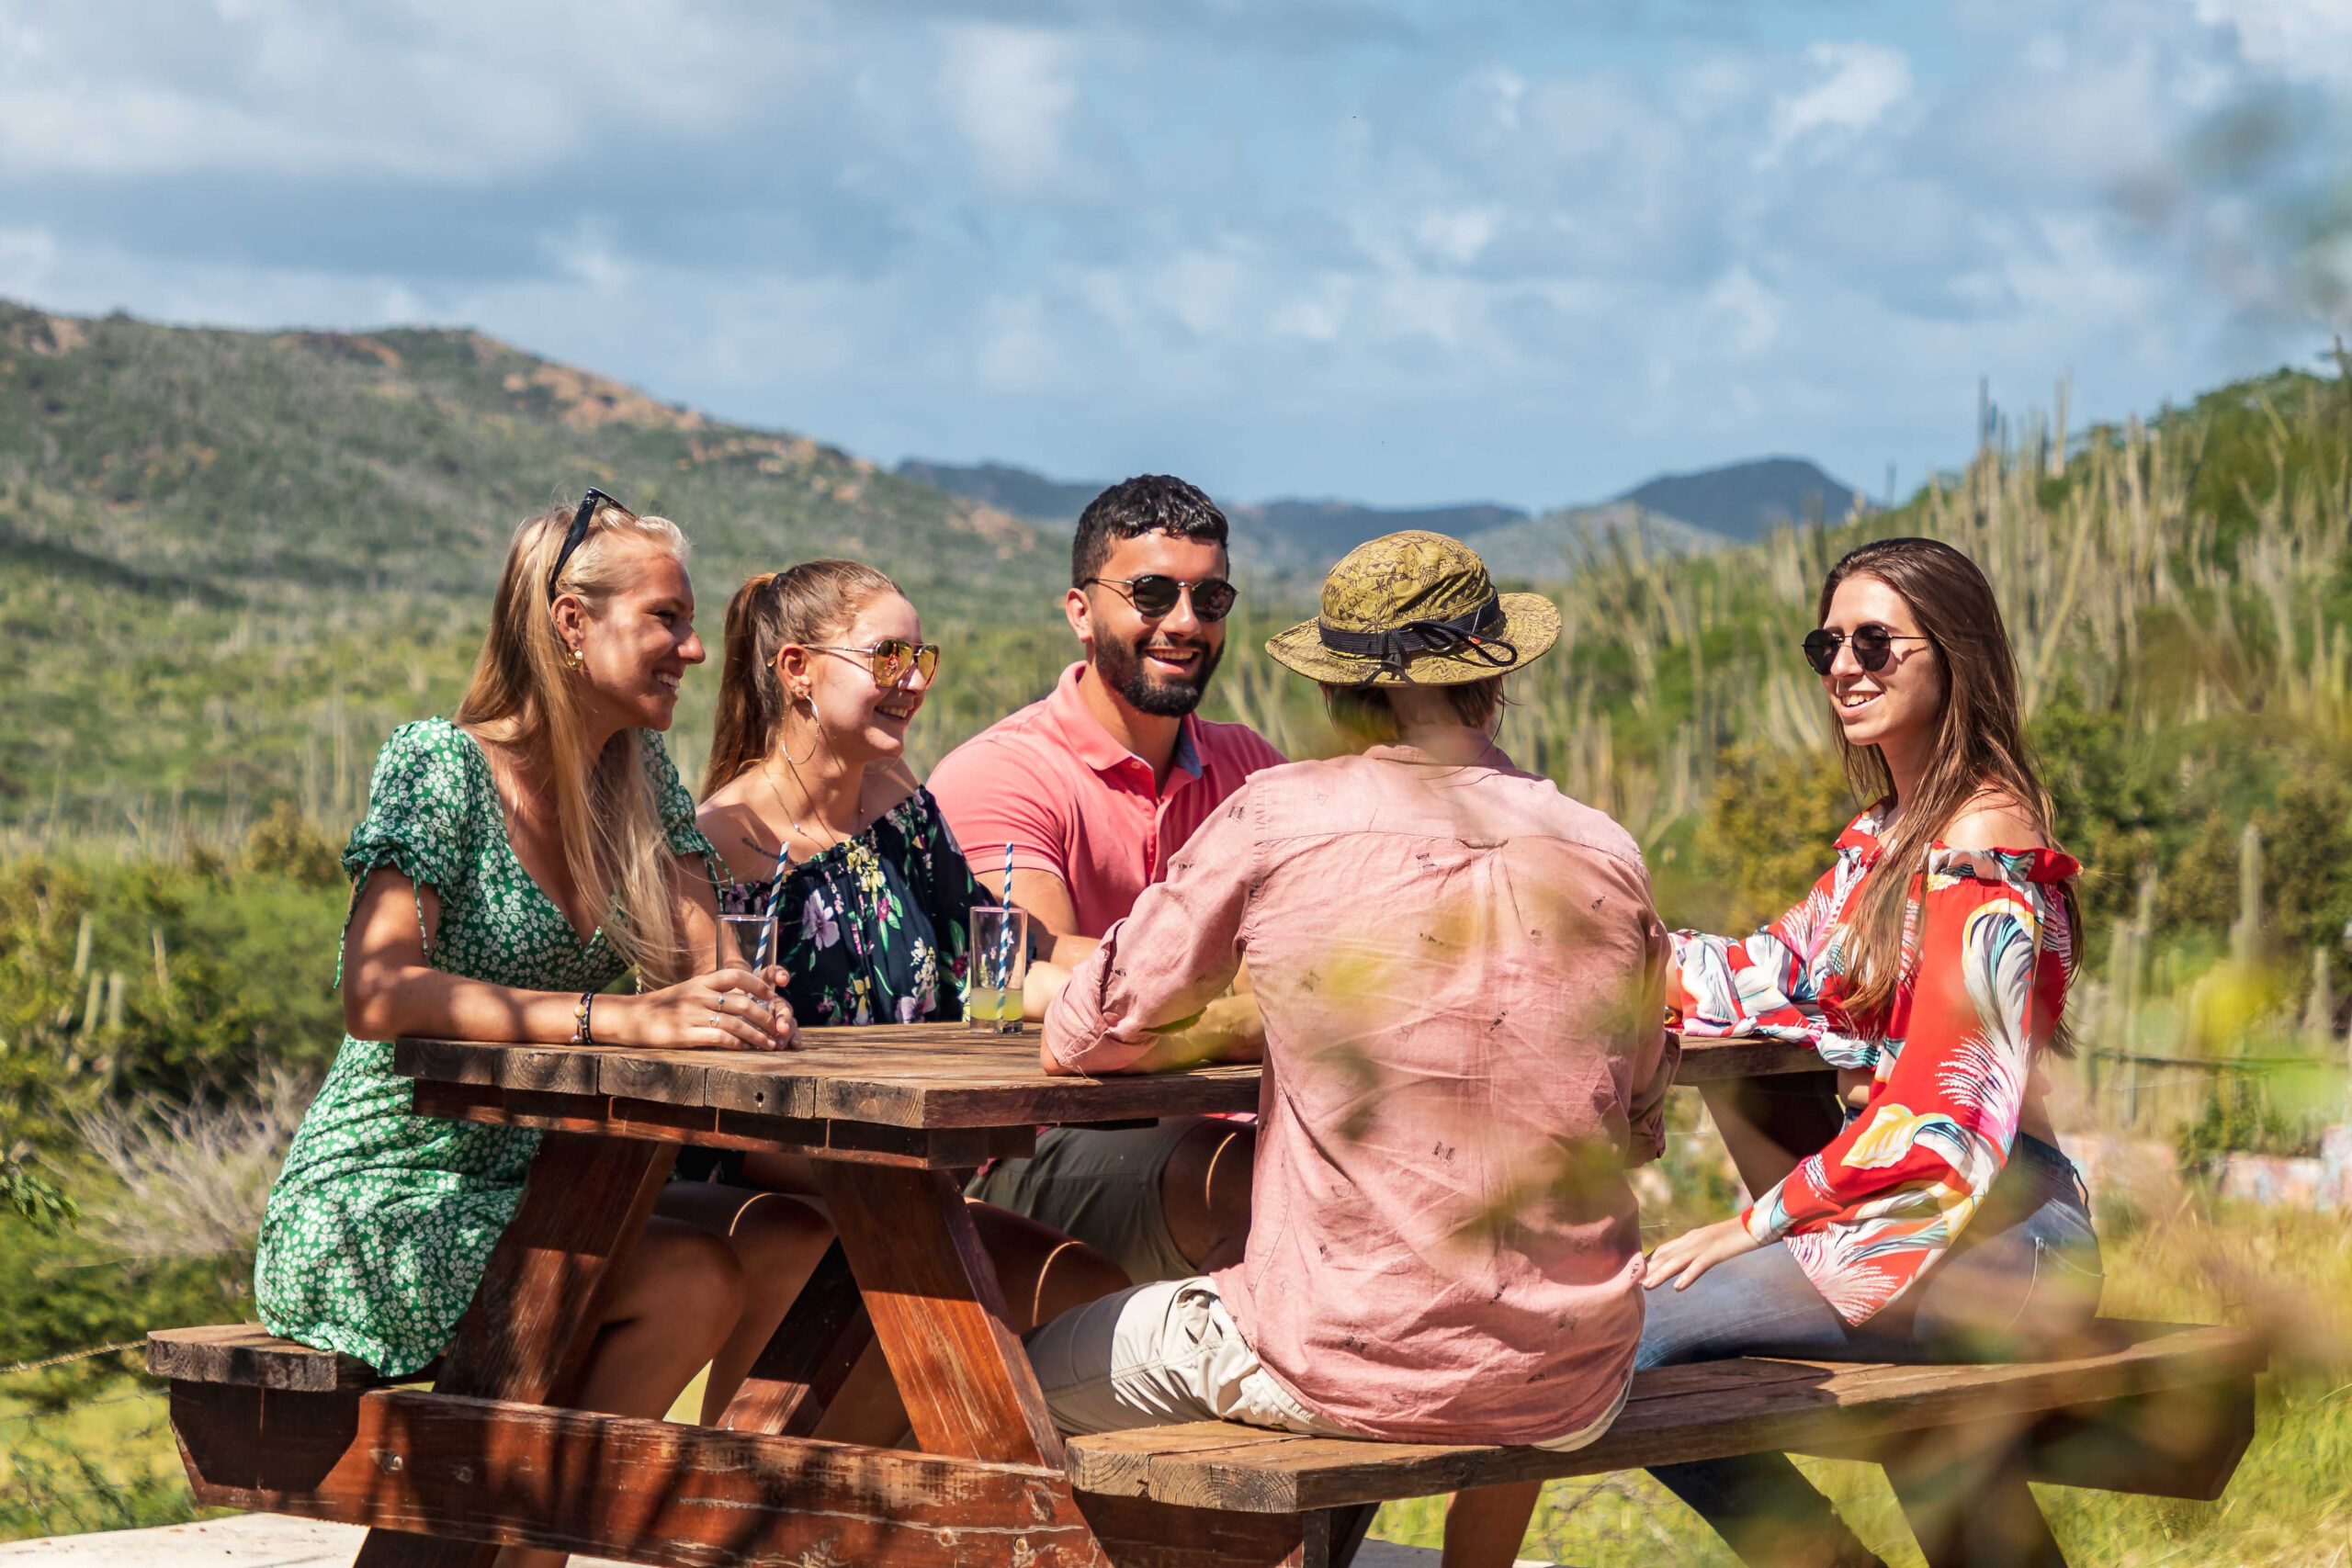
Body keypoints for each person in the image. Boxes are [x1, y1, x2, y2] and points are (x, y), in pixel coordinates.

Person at [1020, 531, 1679, 1568]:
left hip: (1337, 1358)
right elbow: (1637, 1107)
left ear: (1337, 696)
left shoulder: (1281, 818)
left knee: (1008, 1382)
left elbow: (1088, 1030)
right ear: (1493, 681)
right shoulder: (1605, 847)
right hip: (1572, 1372)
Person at [1463, 536, 2100, 1568]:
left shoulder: (1985, 847)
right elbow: (1760, 978)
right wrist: (1571, 942)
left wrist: (1751, 1225)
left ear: (1957, 655)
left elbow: (1946, 1109)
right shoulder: (1885, 839)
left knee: (1616, 1329)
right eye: (1827, 643)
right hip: (1925, 1228)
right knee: (1629, 1330)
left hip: (2003, 1239)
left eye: (1878, 643)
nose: (1845, 666)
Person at [255, 493, 833, 1568]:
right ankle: (522, 1551)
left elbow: (707, 980)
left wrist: (737, 998)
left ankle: (527, 1546)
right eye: (667, 619)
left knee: (792, 1242)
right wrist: (616, 1017)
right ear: (572, 622)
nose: (695, 651)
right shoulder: (441, 764)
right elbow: (377, 992)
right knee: (688, 1278)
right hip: (385, 1200)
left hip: (546, 1184)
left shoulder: (638, 775)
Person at [686, 558, 1127, 1349]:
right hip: (789, 1191)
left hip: (917, 1174)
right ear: (797, 670)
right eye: (889, 657)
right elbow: (727, 1095)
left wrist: (1138, 996)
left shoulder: (899, 803)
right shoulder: (726, 843)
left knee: (1086, 1285)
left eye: (921, 659)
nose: (914, 681)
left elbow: (988, 968)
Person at [933, 475, 1286, 1284]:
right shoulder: (1005, 775)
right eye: (1152, 593)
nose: (1185, 623)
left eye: (1211, 597)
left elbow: (1321, 954)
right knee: (1254, 1180)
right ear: (1080, 609)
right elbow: (1045, 984)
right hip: (1033, 1153)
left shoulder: (1254, 769)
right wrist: (1253, 988)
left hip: (1221, 1129)